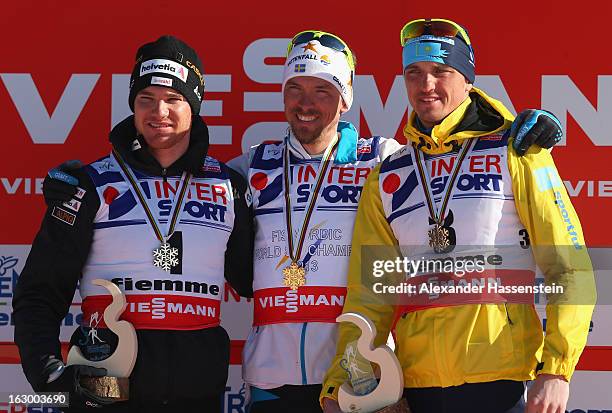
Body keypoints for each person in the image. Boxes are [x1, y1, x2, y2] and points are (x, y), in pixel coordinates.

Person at [42, 30, 563, 413]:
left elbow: (450, 154)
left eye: (323, 90)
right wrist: (76, 183)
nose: (306, 103)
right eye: (296, 88)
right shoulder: (251, 167)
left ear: (346, 99)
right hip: (271, 376)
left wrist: (513, 123)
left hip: (363, 376)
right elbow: (175, 177)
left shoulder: (383, 161)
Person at [320, 18, 595, 413]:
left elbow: (569, 267)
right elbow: (369, 296)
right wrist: (345, 382)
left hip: (504, 382)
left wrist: (556, 370)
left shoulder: (516, 151)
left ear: (467, 79)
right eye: (413, 73)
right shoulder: (388, 175)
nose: (426, 85)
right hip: (418, 386)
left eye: (441, 72)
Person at [13, 35, 253, 413]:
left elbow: (256, 279)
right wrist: (47, 376)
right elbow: (40, 291)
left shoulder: (228, 187)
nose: (159, 112)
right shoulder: (89, 185)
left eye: (173, 99)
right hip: (104, 388)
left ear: (194, 105)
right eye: (146, 99)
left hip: (196, 394)